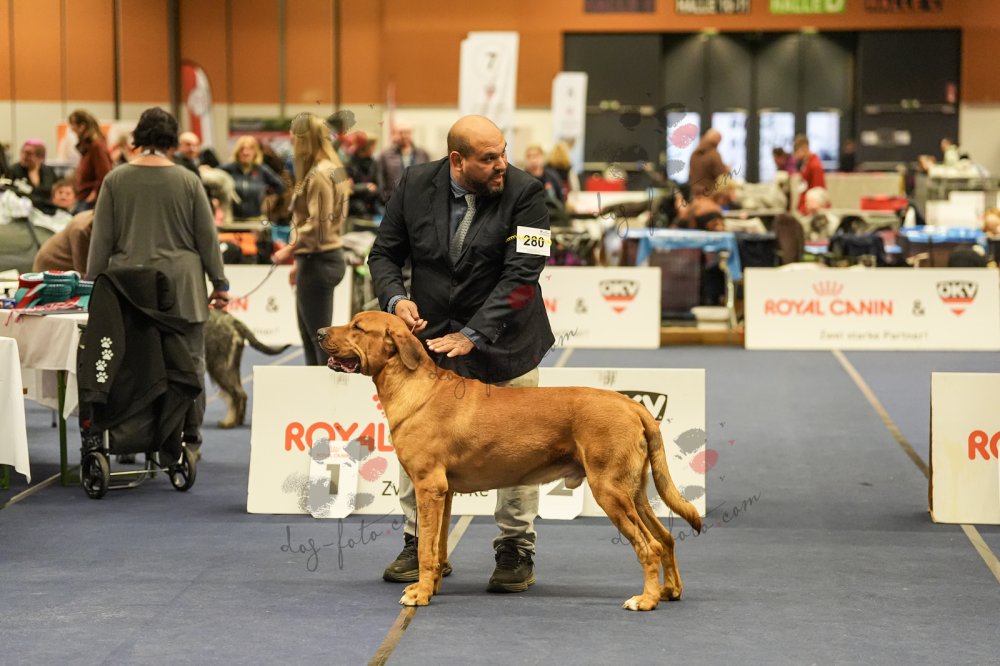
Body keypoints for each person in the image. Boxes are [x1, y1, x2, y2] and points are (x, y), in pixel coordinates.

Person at [368, 114, 554, 593]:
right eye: (489, 158)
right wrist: (396, 299)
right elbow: (383, 254)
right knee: (420, 442)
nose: (502, 165)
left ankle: (515, 547)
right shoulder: (414, 183)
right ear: (457, 160)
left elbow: (523, 277)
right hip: (432, 345)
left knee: (519, 448)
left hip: (509, 340)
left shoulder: (526, 192)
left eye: (503, 153)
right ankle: (420, 542)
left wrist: (475, 333)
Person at [87, 106, 229, 457]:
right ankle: (189, 440)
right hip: (182, 290)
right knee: (189, 364)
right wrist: (220, 282)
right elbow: (207, 238)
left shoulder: (115, 180)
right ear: (172, 140)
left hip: (129, 290)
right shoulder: (188, 180)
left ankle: (128, 440)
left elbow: (101, 241)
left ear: (137, 138)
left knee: (130, 366)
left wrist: (93, 286)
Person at [271, 113, 350, 366]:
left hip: (319, 261)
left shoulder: (320, 173)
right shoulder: (328, 169)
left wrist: (288, 250)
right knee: (311, 337)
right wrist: (298, 260)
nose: (290, 140)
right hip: (315, 259)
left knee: (320, 342)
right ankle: (317, 386)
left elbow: (319, 224)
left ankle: (325, 388)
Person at [221, 135, 286, 221]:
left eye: (250, 149)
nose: (245, 152)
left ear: (255, 152)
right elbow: (211, 178)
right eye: (242, 149)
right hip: (233, 220)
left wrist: (269, 201)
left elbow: (280, 186)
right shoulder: (228, 169)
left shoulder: (262, 170)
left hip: (256, 220)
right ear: (237, 152)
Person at [67, 109, 114, 213]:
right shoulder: (88, 147)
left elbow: (104, 173)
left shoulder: (96, 146)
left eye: (73, 125)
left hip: (89, 200)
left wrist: (94, 194)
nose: (72, 129)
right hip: (84, 197)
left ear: (82, 126)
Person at [377, 120, 431, 205]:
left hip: (417, 200)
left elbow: (429, 176)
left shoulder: (422, 154)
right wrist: (384, 198)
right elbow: (380, 178)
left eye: (407, 132)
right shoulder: (385, 155)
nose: (404, 135)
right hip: (393, 201)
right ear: (394, 134)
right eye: (401, 133)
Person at [8, 139, 59, 211]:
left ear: (40, 157)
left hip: (48, 209)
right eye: (22, 152)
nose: (24, 156)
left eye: (28, 154)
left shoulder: (48, 171)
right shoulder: (13, 171)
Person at [688, 128, 729, 198]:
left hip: (694, 193)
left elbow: (690, 173)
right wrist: (727, 170)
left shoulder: (694, 153)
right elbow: (721, 175)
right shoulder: (714, 154)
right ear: (717, 141)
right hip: (709, 194)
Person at [793, 134, 826, 214]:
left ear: (805, 148)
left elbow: (818, 191)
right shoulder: (806, 164)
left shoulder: (815, 166)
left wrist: (809, 207)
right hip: (804, 207)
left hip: (811, 209)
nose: (796, 156)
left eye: (797, 152)